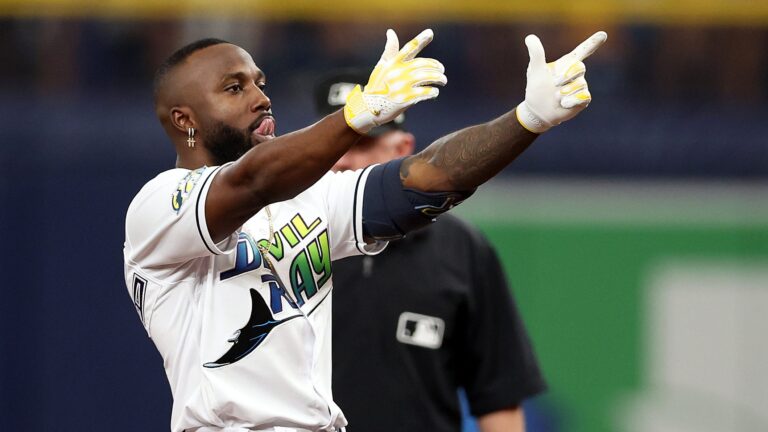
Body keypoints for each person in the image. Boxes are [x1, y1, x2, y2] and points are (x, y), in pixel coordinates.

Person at [123, 27, 606, 432]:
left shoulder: (309, 199)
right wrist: (356, 116)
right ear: (184, 120)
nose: (260, 97)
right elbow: (251, 180)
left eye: (259, 82)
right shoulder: (158, 207)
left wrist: (526, 119)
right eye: (235, 88)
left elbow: (428, 177)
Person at [314, 71, 547, 432]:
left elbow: (498, 394)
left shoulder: (462, 249)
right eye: (331, 144)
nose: (341, 160)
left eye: (360, 144)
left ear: (403, 150)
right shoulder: (280, 241)